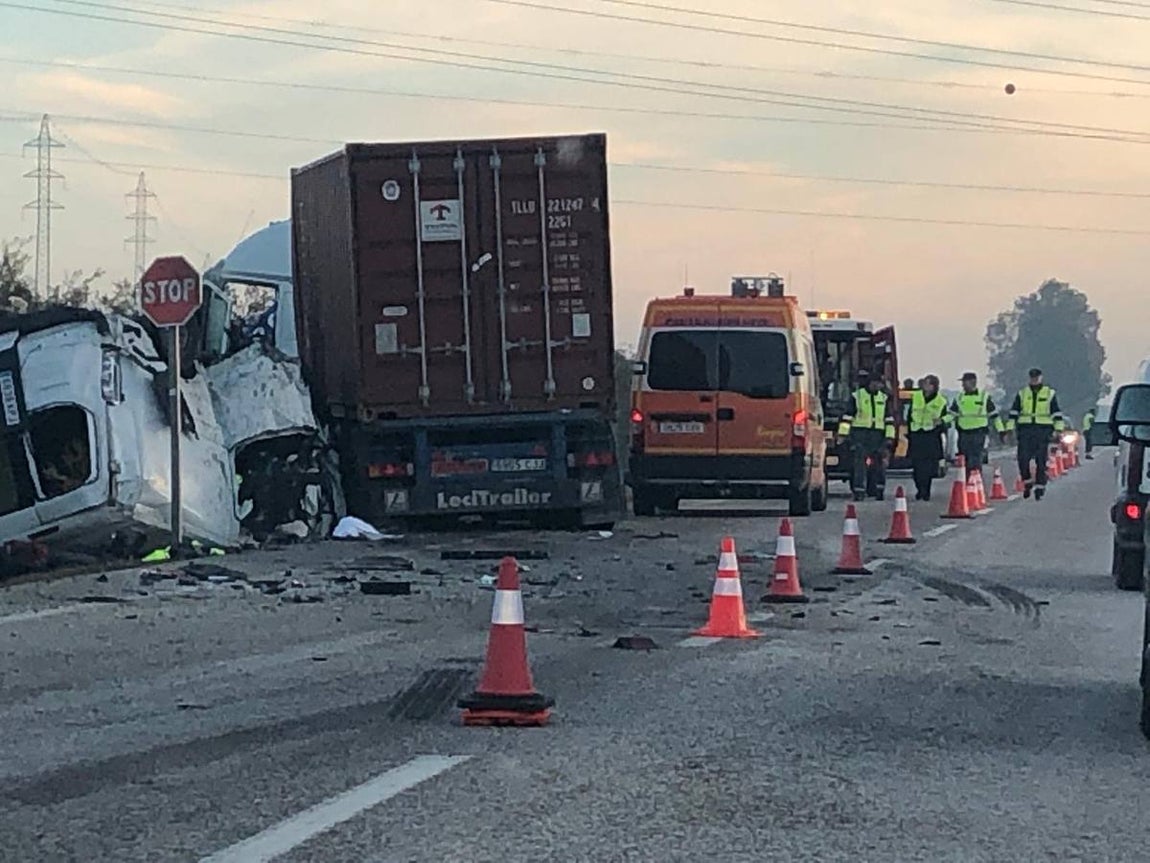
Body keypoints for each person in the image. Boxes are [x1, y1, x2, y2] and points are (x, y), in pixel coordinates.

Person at [1007, 367, 1065, 500]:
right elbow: (1014, 412)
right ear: (1029, 378)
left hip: (1042, 430)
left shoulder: (1049, 393)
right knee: (1022, 459)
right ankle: (1027, 481)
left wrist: (1058, 430)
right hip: (1025, 429)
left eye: (1037, 377)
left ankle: (1040, 486)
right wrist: (1009, 428)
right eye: (1032, 377)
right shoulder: (1022, 394)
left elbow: (1056, 412)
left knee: (1041, 460)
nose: (1034, 380)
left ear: (1041, 378)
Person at [838, 370, 896, 502]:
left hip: (878, 435)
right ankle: (859, 491)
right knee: (859, 465)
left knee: (879, 465)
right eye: (876, 383)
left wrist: (889, 438)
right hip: (860, 435)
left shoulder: (884, 398)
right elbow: (848, 417)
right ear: (870, 383)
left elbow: (889, 420)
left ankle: (878, 489)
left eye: (879, 384)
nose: (878, 386)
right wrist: (843, 435)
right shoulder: (857, 396)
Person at [950, 372, 1005, 478]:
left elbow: (994, 416)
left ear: (973, 382)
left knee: (975, 458)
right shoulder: (959, 398)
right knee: (965, 459)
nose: (963, 385)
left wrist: (1001, 431)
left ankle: (975, 481)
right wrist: (941, 421)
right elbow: (951, 414)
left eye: (964, 382)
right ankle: (967, 482)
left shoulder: (984, 397)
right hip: (963, 433)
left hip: (978, 433)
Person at [906, 375, 951, 501]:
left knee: (928, 468)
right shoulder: (916, 397)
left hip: (931, 436)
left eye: (927, 384)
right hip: (916, 435)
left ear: (933, 386)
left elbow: (948, 417)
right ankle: (920, 488)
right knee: (916, 466)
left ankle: (925, 491)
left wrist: (941, 421)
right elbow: (910, 415)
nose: (924, 386)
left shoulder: (941, 401)